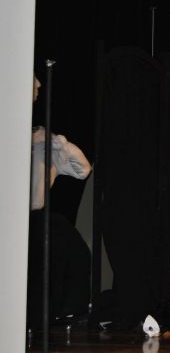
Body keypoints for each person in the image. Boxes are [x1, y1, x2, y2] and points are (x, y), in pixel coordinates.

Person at [27, 74, 92, 329]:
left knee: (70, 249)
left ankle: (59, 312)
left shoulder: (46, 140)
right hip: (12, 215)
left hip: (36, 217)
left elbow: (83, 170)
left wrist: (61, 145)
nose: (38, 86)